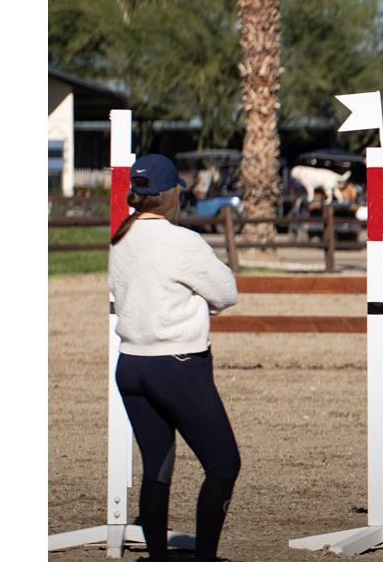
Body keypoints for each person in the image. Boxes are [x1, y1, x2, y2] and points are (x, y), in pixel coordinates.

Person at [109, 154, 240, 562]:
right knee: (223, 465)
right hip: (177, 366)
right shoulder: (182, 241)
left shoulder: (121, 238)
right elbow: (226, 293)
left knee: (157, 467)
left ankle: (157, 558)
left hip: (131, 365)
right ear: (168, 194)